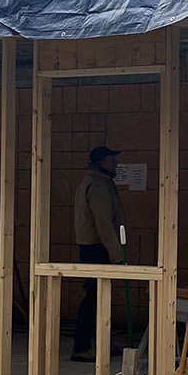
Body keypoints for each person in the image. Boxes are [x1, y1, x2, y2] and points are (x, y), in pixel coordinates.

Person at [71, 145, 126, 362]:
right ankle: (82, 347)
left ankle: (102, 342)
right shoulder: (98, 186)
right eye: (112, 160)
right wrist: (117, 254)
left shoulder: (99, 182)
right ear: (100, 162)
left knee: (101, 296)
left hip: (95, 246)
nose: (116, 164)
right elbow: (104, 224)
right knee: (94, 296)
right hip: (96, 247)